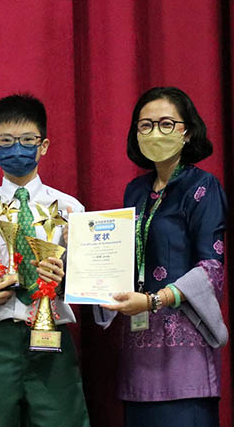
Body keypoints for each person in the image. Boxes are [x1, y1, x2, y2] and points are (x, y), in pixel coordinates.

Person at [0, 94, 90, 427]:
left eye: (28, 141)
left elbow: (88, 283)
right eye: (6, 141)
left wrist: (65, 277)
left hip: (52, 338)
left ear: (44, 145)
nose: (17, 149)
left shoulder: (71, 210)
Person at [96, 87, 227, 427]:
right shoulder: (135, 191)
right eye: (146, 125)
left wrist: (155, 300)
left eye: (166, 124)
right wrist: (84, 261)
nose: (155, 132)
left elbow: (211, 270)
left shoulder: (203, 187)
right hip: (137, 353)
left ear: (187, 132)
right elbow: (122, 258)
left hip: (185, 356)